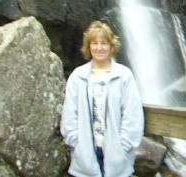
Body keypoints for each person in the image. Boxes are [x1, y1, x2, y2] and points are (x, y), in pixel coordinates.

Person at [61, 21, 144, 177]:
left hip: (117, 158)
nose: (99, 47)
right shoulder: (78, 76)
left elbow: (132, 114)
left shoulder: (124, 76)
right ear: (88, 47)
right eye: (95, 43)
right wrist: (77, 145)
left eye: (104, 43)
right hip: (85, 156)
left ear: (111, 46)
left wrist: (122, 148)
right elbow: (69, 114)